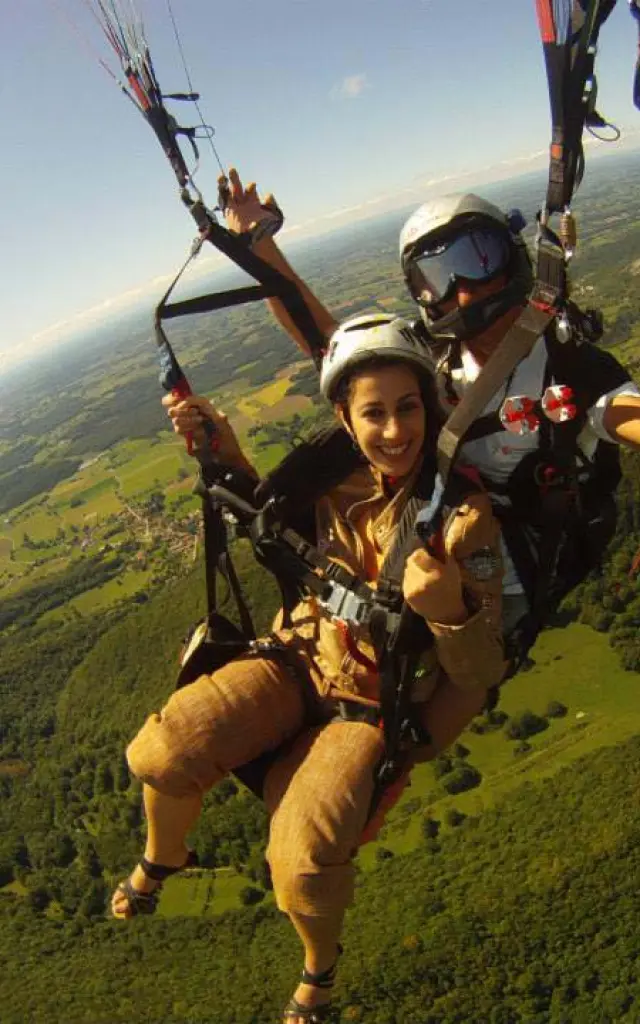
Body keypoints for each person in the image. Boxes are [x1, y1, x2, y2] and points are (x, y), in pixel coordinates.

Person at [111, 314, 506, 1024]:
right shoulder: (330, 475)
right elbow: (270, 528)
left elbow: (479, 670)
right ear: (346, 419)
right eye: (374, 413)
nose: (394, 431)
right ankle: (163, 858)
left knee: (298, 867)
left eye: (408, 407)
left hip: (369, 700)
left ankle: (319, 969)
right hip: (296, 656)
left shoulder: (462, 519)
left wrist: (446, 608)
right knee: (159, 750)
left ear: (431, 405)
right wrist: (223, 449)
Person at [219, 171, 640, 632]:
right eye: (435, 278)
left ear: (513, 261)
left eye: (478, 259)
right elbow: (331, 344)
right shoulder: (434, 357)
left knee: (398, 657)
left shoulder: (573, 370)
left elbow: (626, 414)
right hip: (439, 529)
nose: (461, 290)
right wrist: (258, 246)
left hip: (520, 570)